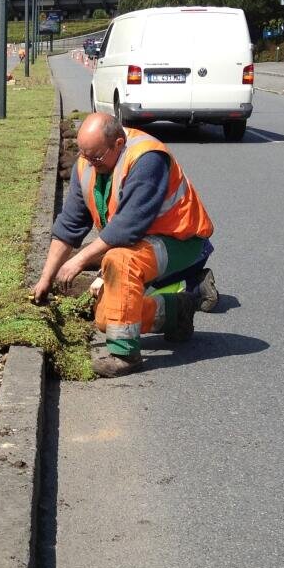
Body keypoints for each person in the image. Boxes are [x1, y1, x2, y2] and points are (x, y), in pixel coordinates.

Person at [32, 113, 214, 378]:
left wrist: (79, 260)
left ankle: (125, 355)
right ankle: (178, 310)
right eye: (85, 156)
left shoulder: (147, 158)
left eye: (96, 157)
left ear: (118, 143)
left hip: (181, 241)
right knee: (108, 317)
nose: (90, 163)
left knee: (118, 261)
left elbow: (128, 226)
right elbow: (69, 226)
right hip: (140, 243)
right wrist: (45, 278)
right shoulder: (86, 166)